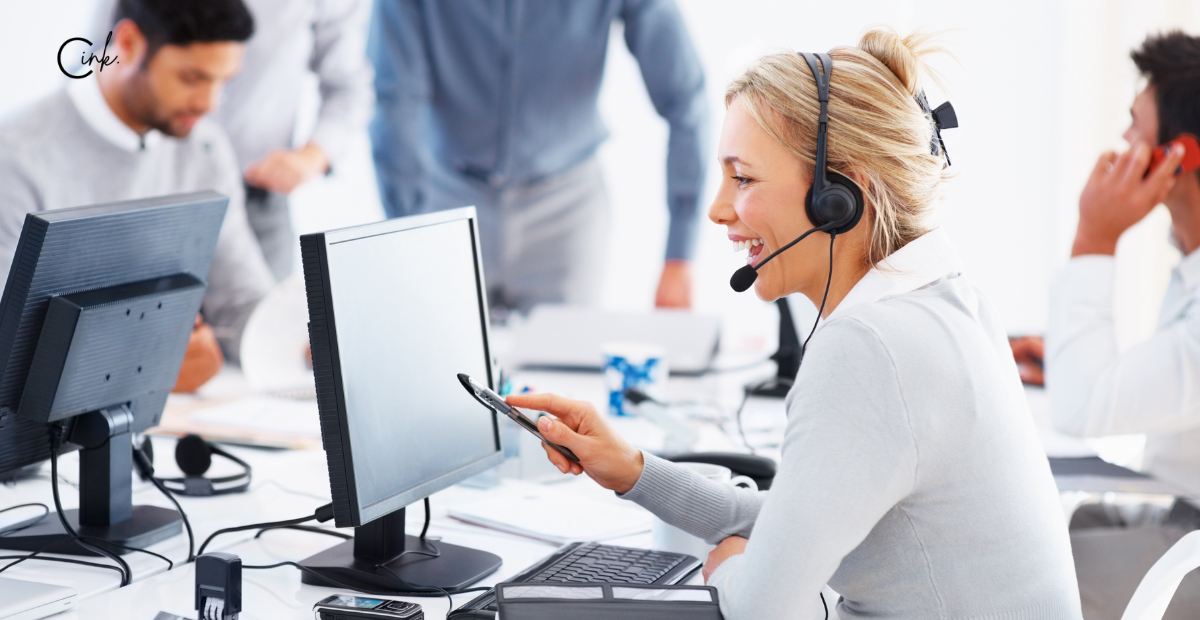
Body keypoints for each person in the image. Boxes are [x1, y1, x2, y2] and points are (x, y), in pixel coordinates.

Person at [505, 29, 1082, 620]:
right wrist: (634, 471)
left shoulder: (869, 349)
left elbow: (760, 607)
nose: (717, 209)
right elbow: (799, 526)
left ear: (839, 195)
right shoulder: (949, 302)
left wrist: (728, 565)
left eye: (744, 178)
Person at [0, 0, 273, 392]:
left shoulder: (204, 147)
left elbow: (242, 300)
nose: (209, 103)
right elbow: (10, 345)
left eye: (223, 82)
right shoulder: (16, 158)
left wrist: (311, 339)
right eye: (192, 78)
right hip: (48, 443)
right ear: (127, 43)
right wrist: (140, 368)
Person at [368, 0, 707, 312]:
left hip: (566, 210)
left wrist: (680, 253)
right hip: (446, 200)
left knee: (564, 368)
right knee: (437, 364)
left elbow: (685, 100)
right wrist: (405, 233)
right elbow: (394, 101)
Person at [1038, 31, 1200, 620]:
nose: (1124, 143)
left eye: (1136, 126)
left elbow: (1084, 410)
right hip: (1177, 506)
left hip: (1195, 536)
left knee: (1038, 576)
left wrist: (1095, 236)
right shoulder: (1190, 263)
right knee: (1065, 524)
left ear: (1178, 156)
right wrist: (1066, 359)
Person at [91, 0, 375, 282]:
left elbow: (349, 87)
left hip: (257, 197)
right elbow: (96, 59)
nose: (209, 104)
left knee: (264, 318)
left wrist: (313, 156)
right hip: (145, 193)